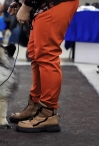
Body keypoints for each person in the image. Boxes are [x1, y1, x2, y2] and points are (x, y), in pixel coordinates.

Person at [7, 0, 79, 133]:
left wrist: (27, 6)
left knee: (47, 55)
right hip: (42, 4)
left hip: (55, 3)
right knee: (35, 54)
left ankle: (47, 113)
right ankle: (35, 105)